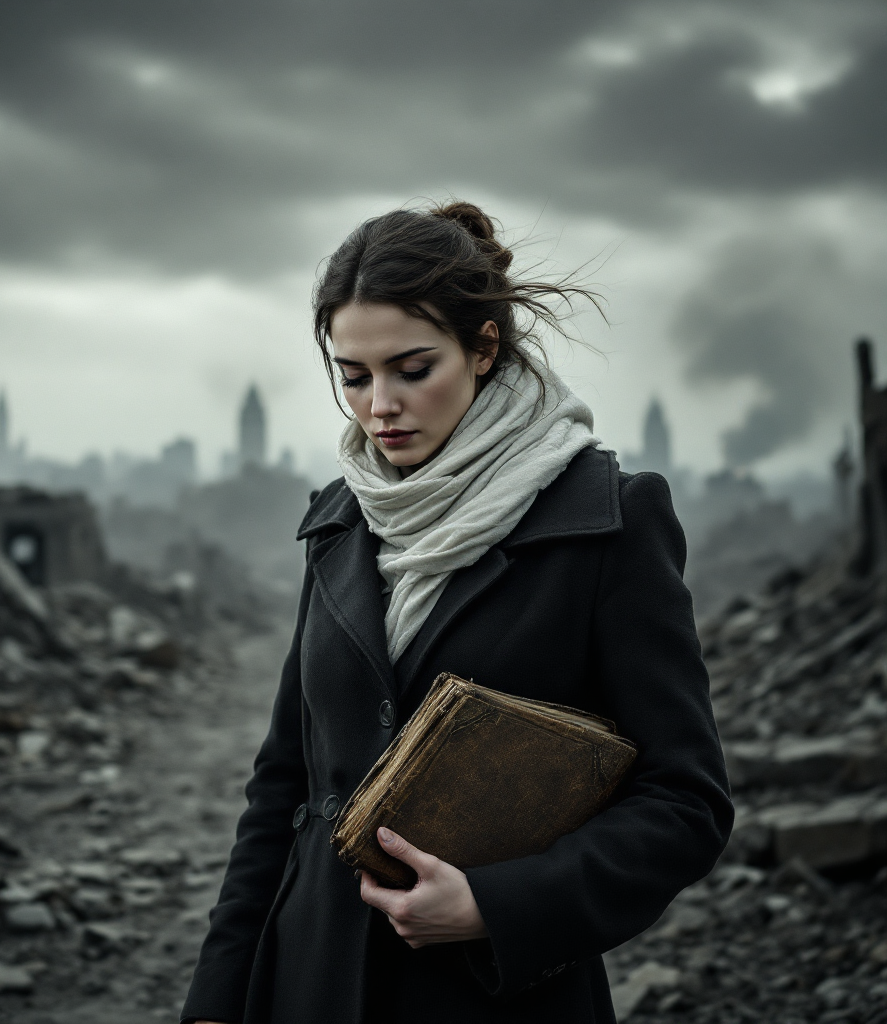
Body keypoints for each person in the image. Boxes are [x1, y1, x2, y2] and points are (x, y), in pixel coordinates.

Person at [181, 201, 733, 1024]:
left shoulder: (604, 523)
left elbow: (686, 801)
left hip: (492, 995)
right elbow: (284, 785)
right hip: (309, 980)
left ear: (483, 348)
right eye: (354, 375)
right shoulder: (340, 521)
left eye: (412, 369)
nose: (380, 408)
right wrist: (216, 1001)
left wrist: (496, 905)